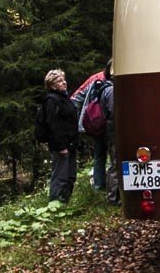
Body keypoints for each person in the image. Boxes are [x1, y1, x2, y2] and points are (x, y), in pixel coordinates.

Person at [71, 60, 115, 200]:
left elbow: (75, 99)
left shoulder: (95, 78)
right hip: (110, 124)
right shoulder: (115, 81)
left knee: (99, 155)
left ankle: (99, 186)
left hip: (96, 123)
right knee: (113, 156)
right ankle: (113, 189)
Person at [40, 69, 79, 202]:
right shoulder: (51, 100)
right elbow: (54, 125)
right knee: (60, 176)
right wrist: (61, 146)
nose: (63, 82)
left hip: (71, 143)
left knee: (70, 176)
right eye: (59, 81)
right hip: (61, 146)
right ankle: (55, 205)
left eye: (63, 79)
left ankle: (64, 202)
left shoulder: (65, 98)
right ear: (52, 85)